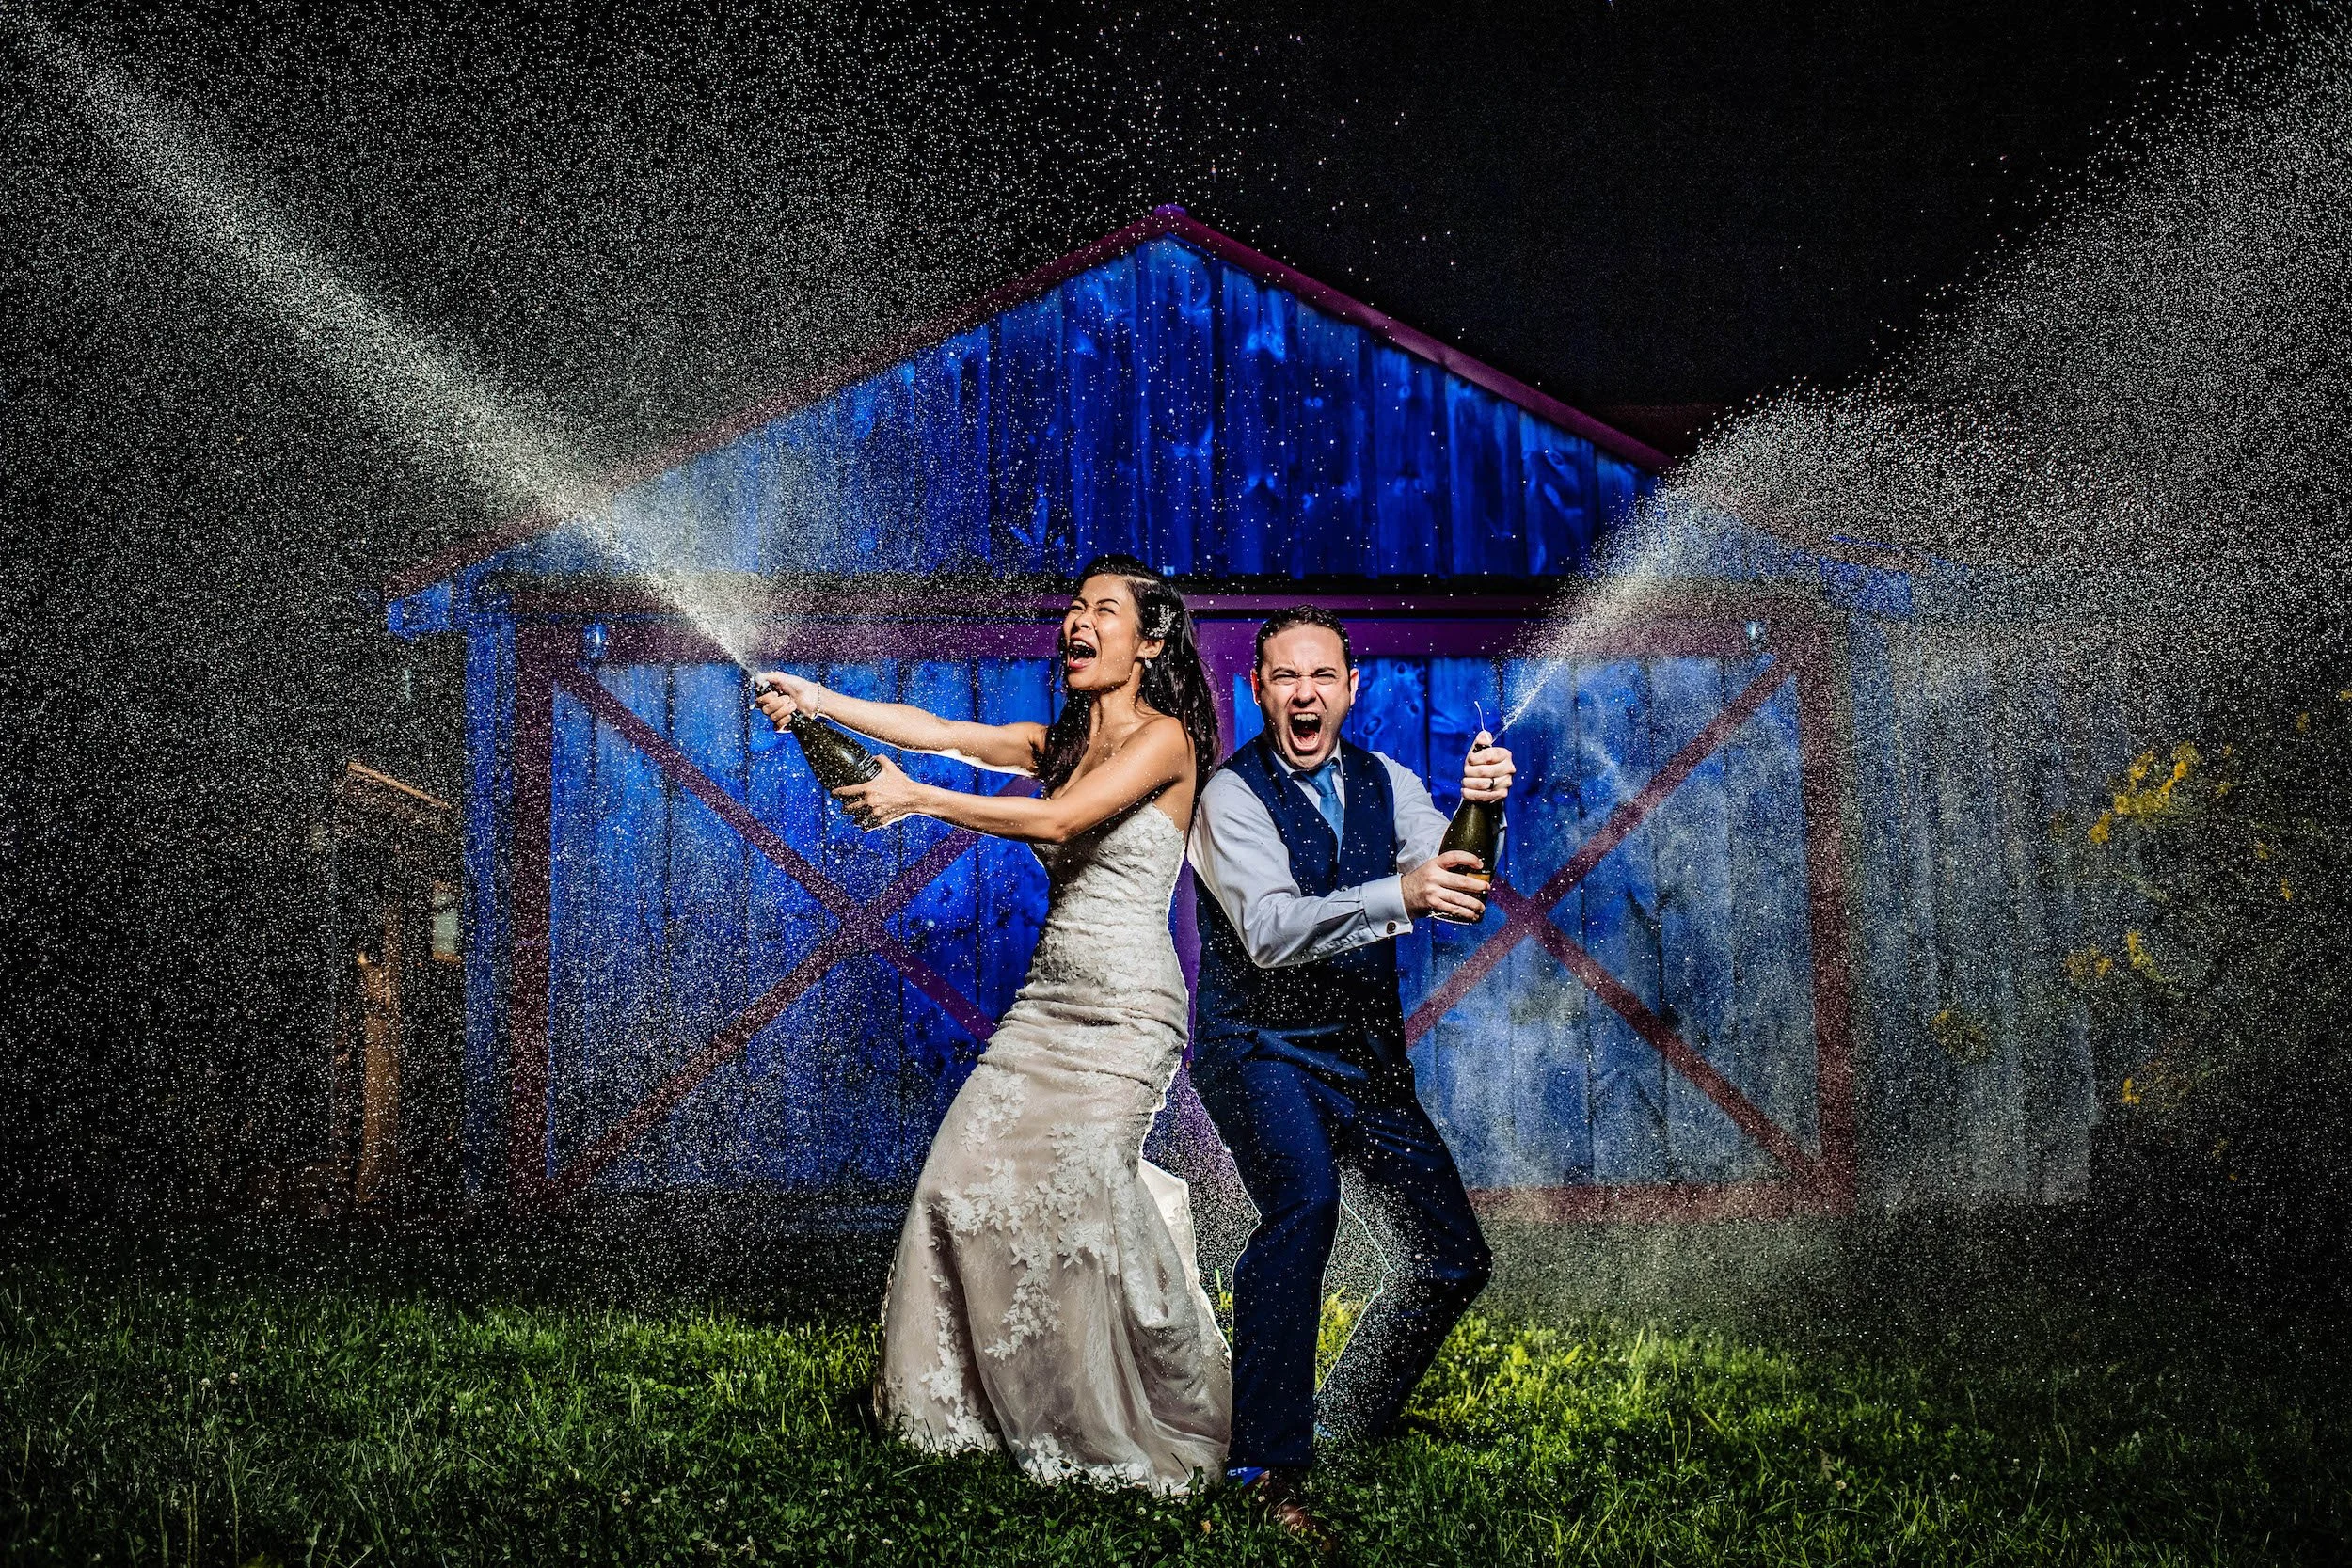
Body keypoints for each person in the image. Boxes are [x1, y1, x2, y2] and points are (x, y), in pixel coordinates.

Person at [752, 554, 1230, 1494]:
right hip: (1045, 1002)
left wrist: (916, 799)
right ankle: (954, 1417)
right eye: (1073, 609)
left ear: (1151, 639)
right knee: (956, 1185)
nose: (1077, 623)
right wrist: (818, 698)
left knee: (1084, 1196)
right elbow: (933, 730)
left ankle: (1122, 1411)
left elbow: (1060, 823)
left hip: (1129, 1006)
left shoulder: (1166, 739)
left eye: (1103, 610)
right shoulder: (1055, 740)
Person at [1185, 606, 1514, 1529]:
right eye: (1284, 677)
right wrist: (1400, 891)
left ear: (1349, 688)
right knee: (1304, 1204)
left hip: (1361, 1052)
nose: (1303, 693)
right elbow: (1270, 929)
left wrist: (1482, 808)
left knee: (1449, 1257)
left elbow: (1458, 880)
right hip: (1256, 1044)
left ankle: (1342, 1419)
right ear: (1258, 689)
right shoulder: (1228, 798)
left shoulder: (1389, 781)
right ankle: (1263, 1463)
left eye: (1320, 676)